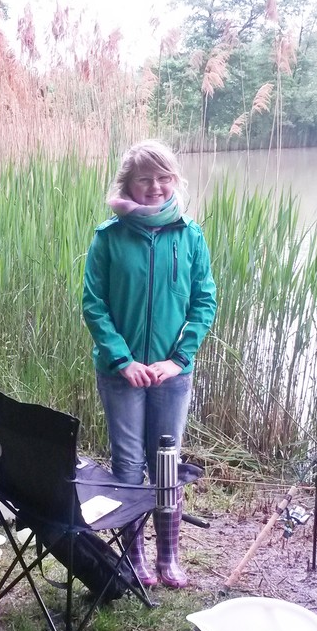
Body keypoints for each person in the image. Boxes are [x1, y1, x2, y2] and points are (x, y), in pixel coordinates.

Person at [82, 140, 217, 587]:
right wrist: (122, 360)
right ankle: (134, 554)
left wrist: (179, 360)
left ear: (173, 181)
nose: (155, 187)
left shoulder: (190, 234)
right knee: (127, 464)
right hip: (120, 374)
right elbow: (94, 304)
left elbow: (204, 301)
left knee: (166, 461)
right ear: (129, 184)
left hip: (170, 374)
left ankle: (169, 556)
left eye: (163, 178)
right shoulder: (109, 237)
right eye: (144, 179)